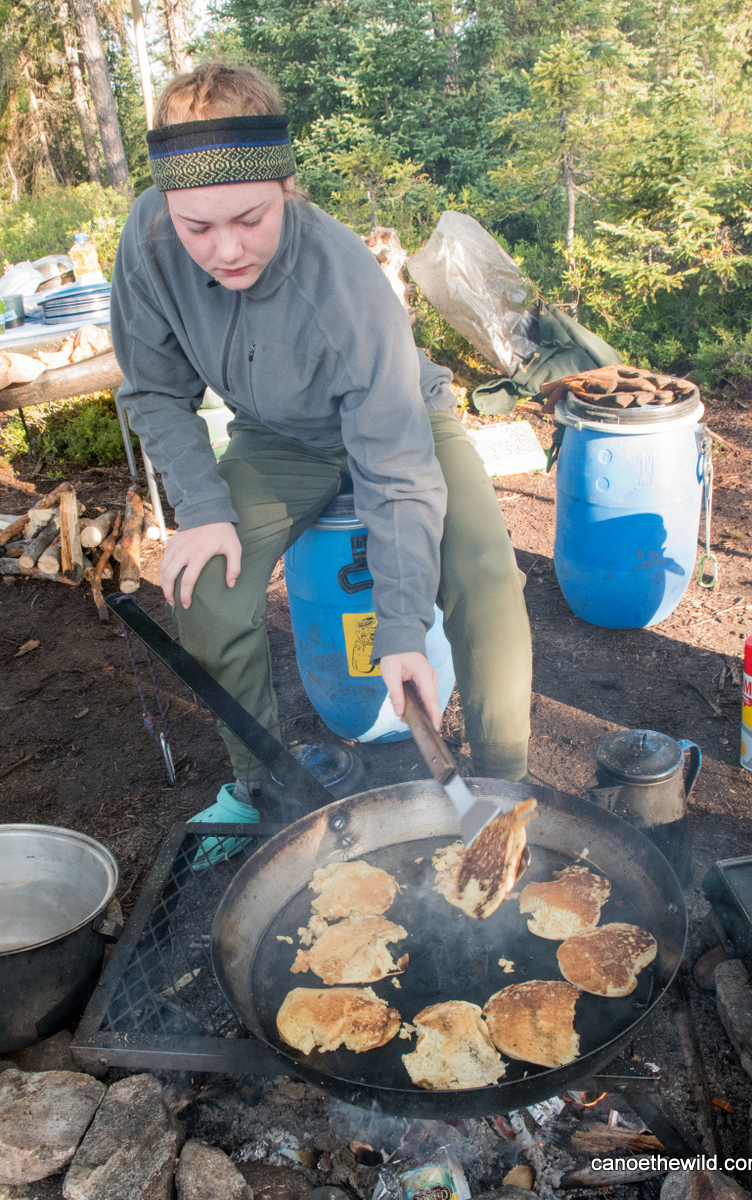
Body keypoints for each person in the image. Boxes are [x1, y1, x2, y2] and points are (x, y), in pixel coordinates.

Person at [111, 63, 532, 809]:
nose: (225, 249)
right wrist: (204, 509)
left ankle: (506, 789)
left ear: (286, 187)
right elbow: (153, 389)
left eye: (250, 219)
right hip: (280, 436)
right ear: (166, 205)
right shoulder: (147, 240)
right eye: (196, 226)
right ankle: (263, 786)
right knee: (204, 590)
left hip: (405, 415)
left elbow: (397, 472)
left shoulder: (345, 286)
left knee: (484, 573)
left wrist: (401, 630)